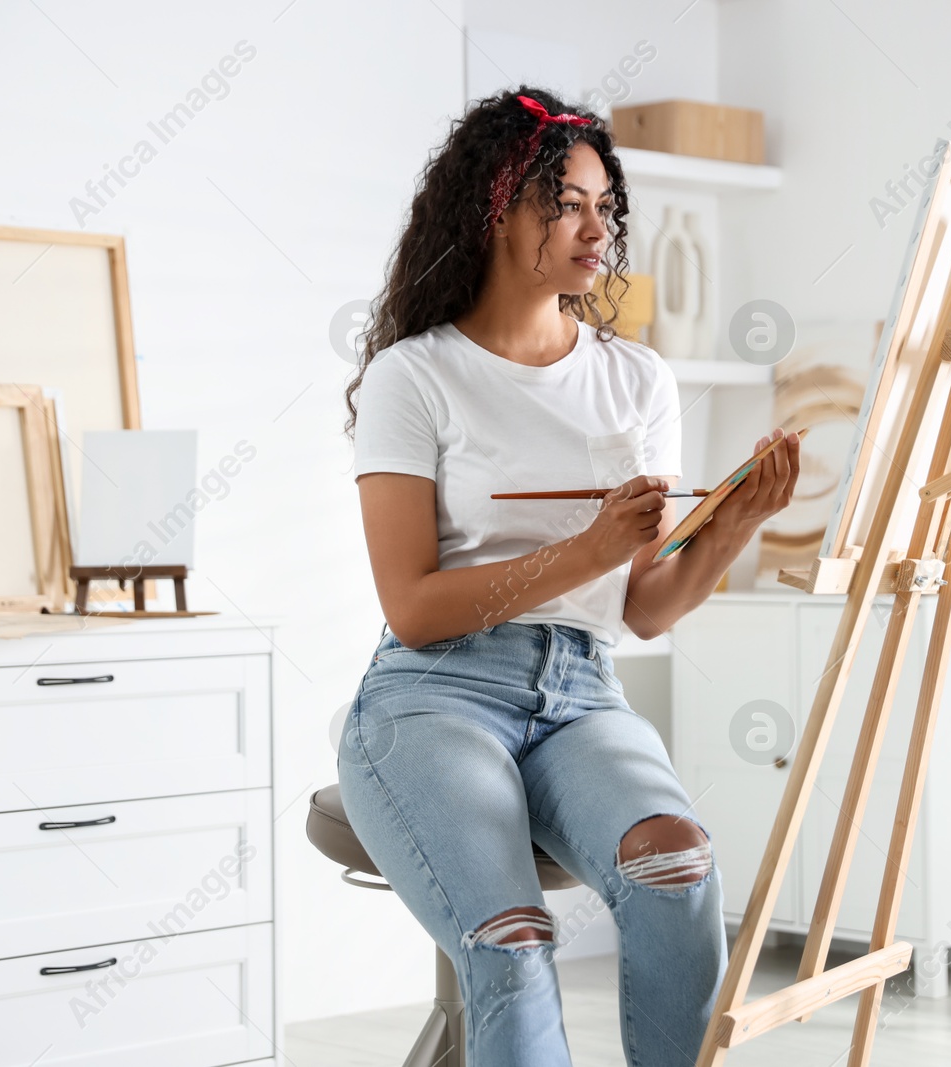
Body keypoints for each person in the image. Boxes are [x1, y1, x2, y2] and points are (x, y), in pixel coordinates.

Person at [338, 85, 801, 1066]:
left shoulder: (636, 380)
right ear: (499, 206)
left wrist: (736, 527)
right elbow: (413, 609)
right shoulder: (411, 377)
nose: (600, 227)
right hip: (434, 693)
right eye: (572, 202)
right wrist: (583, 549)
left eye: (607, 205)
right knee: (511, 940)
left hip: (580, 688)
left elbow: (641, 606)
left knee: (675, 861)